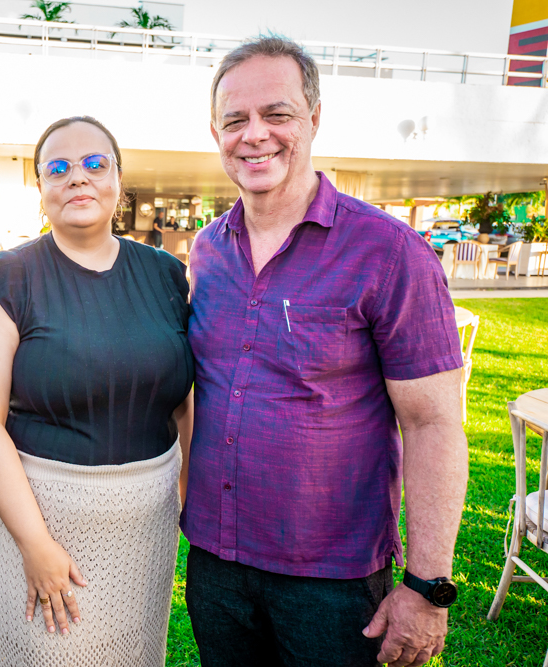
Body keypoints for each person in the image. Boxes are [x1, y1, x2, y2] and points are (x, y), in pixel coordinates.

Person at [183, 36, 468, 667]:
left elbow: (433, 424)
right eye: (235, 120)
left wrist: (427, 587)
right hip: (215, 563)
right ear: (216, 133)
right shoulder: (207, 250)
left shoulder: (390, 254)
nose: (254, 135)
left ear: (314, 118)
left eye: (276, 114)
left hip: (332, 581)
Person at [0, 116, 194, 666]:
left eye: (94, 164)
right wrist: (35, 544)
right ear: (41, 187)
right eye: (58, 168)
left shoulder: (166, 275)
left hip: (146, 529)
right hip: (43, 525)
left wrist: (190, 495)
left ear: (118, 180)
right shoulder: (7, 278)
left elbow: (184, 397)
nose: (77, 178)